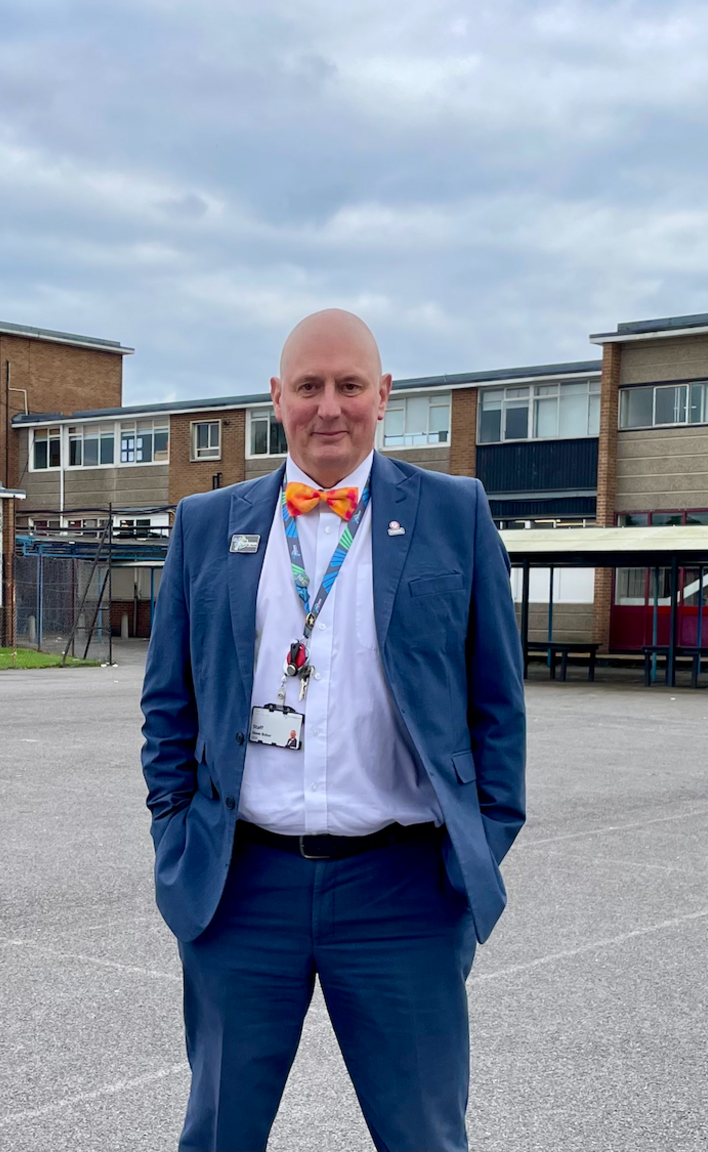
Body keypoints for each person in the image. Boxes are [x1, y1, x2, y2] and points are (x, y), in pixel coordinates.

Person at [139, 309, 526, 1151]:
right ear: (275, 399)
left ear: (384, 396)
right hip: (242, 888)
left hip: (403, 892)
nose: (329, 407)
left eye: (350, 386)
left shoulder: (453, 514)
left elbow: (499, 704)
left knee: (425, 1136)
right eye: (308, 387)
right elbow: (168, 704)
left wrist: (481, 845)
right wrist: (176, 831)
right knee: (217, 1135)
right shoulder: (208, 527)